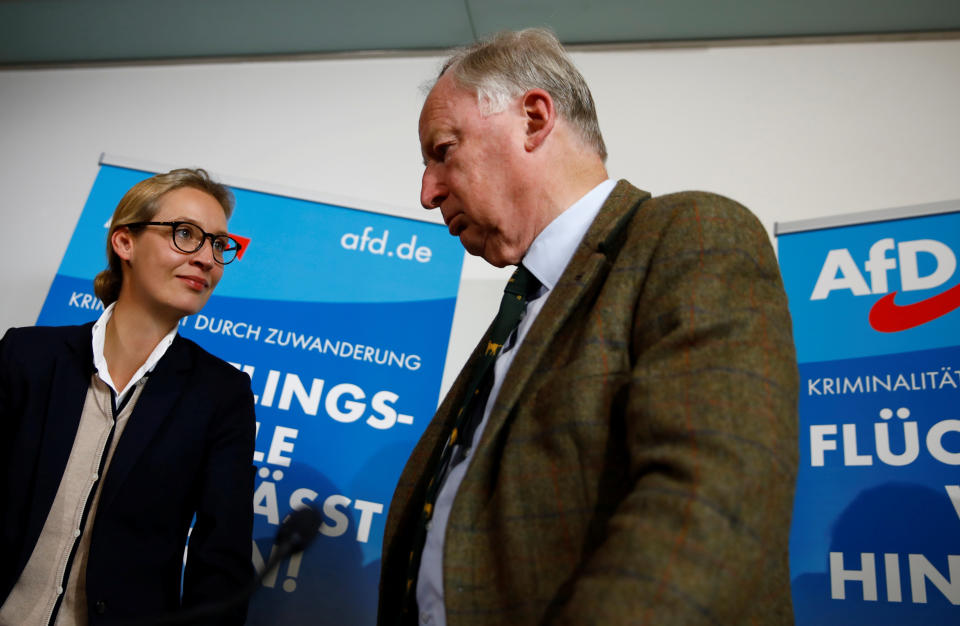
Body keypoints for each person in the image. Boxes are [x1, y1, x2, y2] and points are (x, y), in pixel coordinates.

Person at [378, 28, 799, 625]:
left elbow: (708, 506)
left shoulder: (691, 236)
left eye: (443, 150)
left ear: (533, 118)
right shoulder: (521, 310)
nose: (427, 193)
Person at [0, 168, 256, 625]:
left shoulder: (221, 394)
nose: (206, 259)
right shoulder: (27, 355)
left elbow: (221, 563)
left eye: (218, 244)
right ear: (125, 243)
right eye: (185, 234)